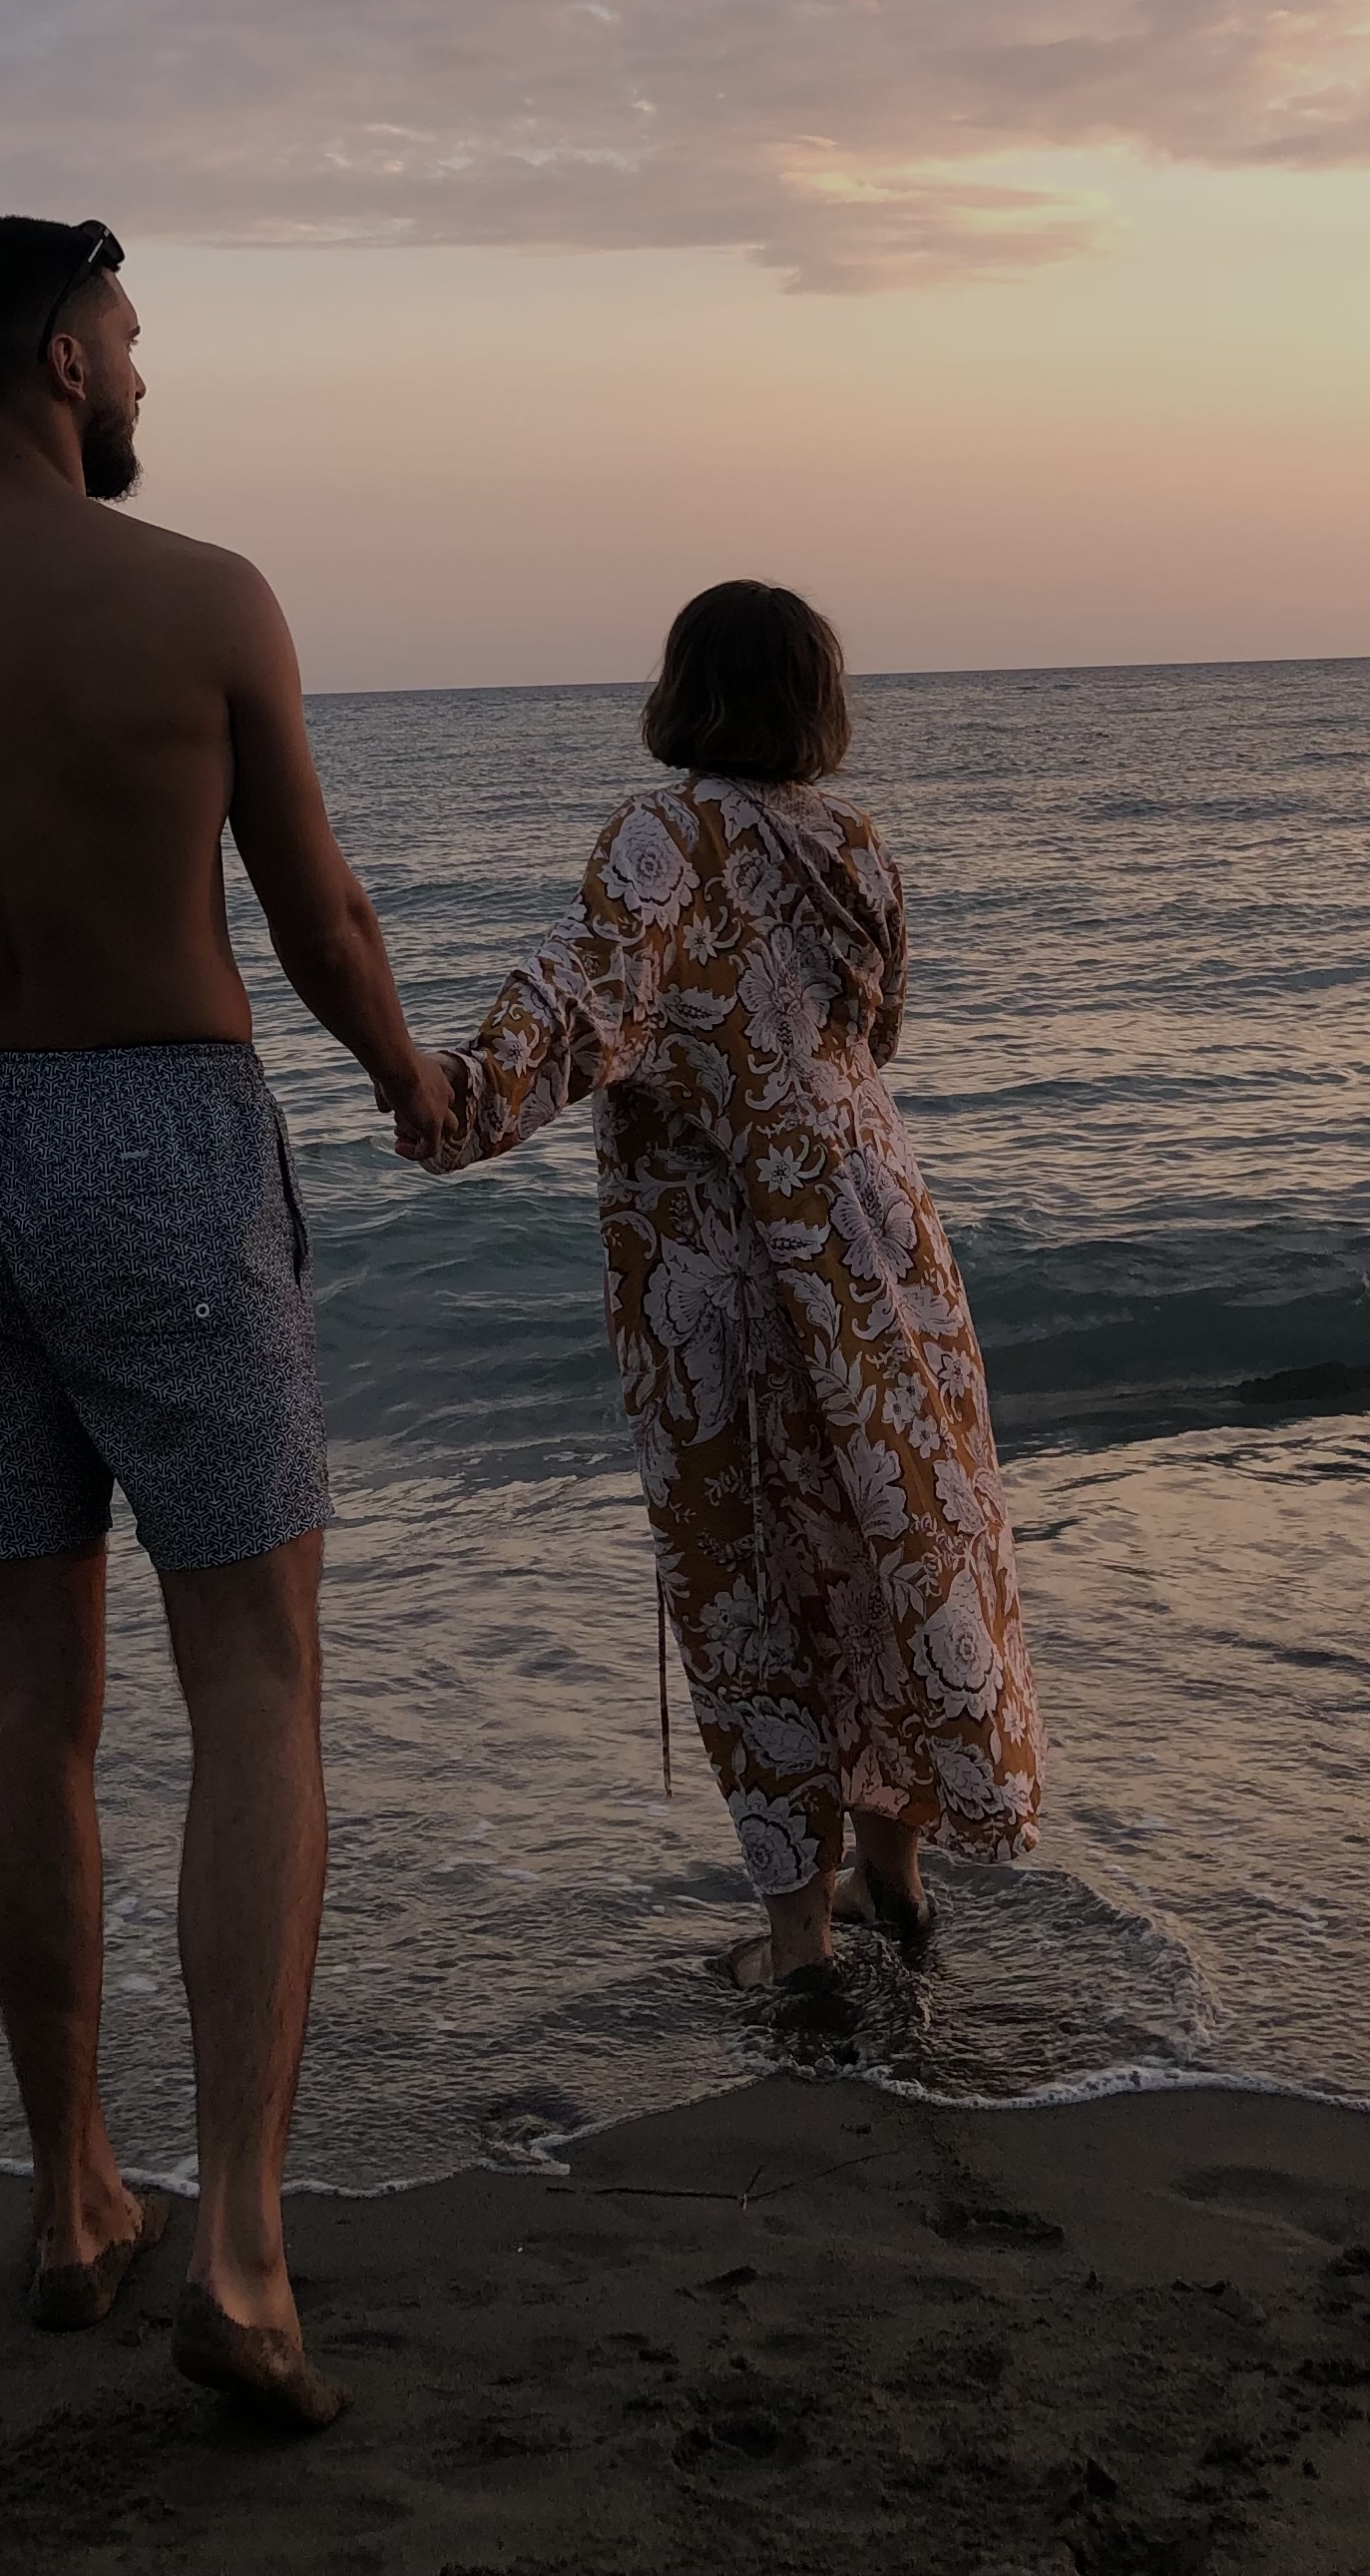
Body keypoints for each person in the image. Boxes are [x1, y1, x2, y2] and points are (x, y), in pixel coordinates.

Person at [0, 215, 452, 2429]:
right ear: (60, 356)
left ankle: (69, 2203)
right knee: (256, 1675)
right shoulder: (203, 598)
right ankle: (240, 2247)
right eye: (130, 341)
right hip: (159, 1137)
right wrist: (410, 1078)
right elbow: (314, 913)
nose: (145, 377)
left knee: (32, 1689)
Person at [403, 580, 1040, 2009]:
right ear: (818, 700)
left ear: (682, 688)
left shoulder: (662, 834)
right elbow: (874, 1033)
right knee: (877, 1544)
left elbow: (586, 1003)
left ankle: (801, 1945)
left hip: (729, 1262)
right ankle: (897, 1883)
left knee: (749, 1579)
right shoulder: (854, 847)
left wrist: (452, 1095)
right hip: (880, 1244)